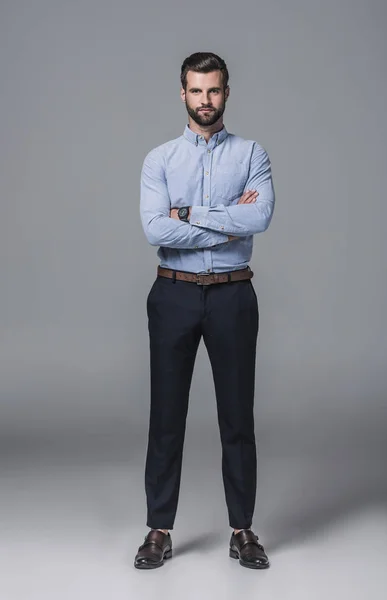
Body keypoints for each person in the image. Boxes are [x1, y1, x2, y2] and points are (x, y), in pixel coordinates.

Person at [135, 51, 275, 570]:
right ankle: (158, 530)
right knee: (166, 417)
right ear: (182, 93)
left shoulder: (252, 153)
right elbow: (155, 230)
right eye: (196, 91)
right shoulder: (160, 159)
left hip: (233, 295)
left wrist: (190, 214)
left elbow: (259, 216)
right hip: (173, 294)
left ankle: (242, 530)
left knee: (238, 417)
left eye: (213, 90)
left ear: (226, 92)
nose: (205, 101)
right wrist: (227, 220)